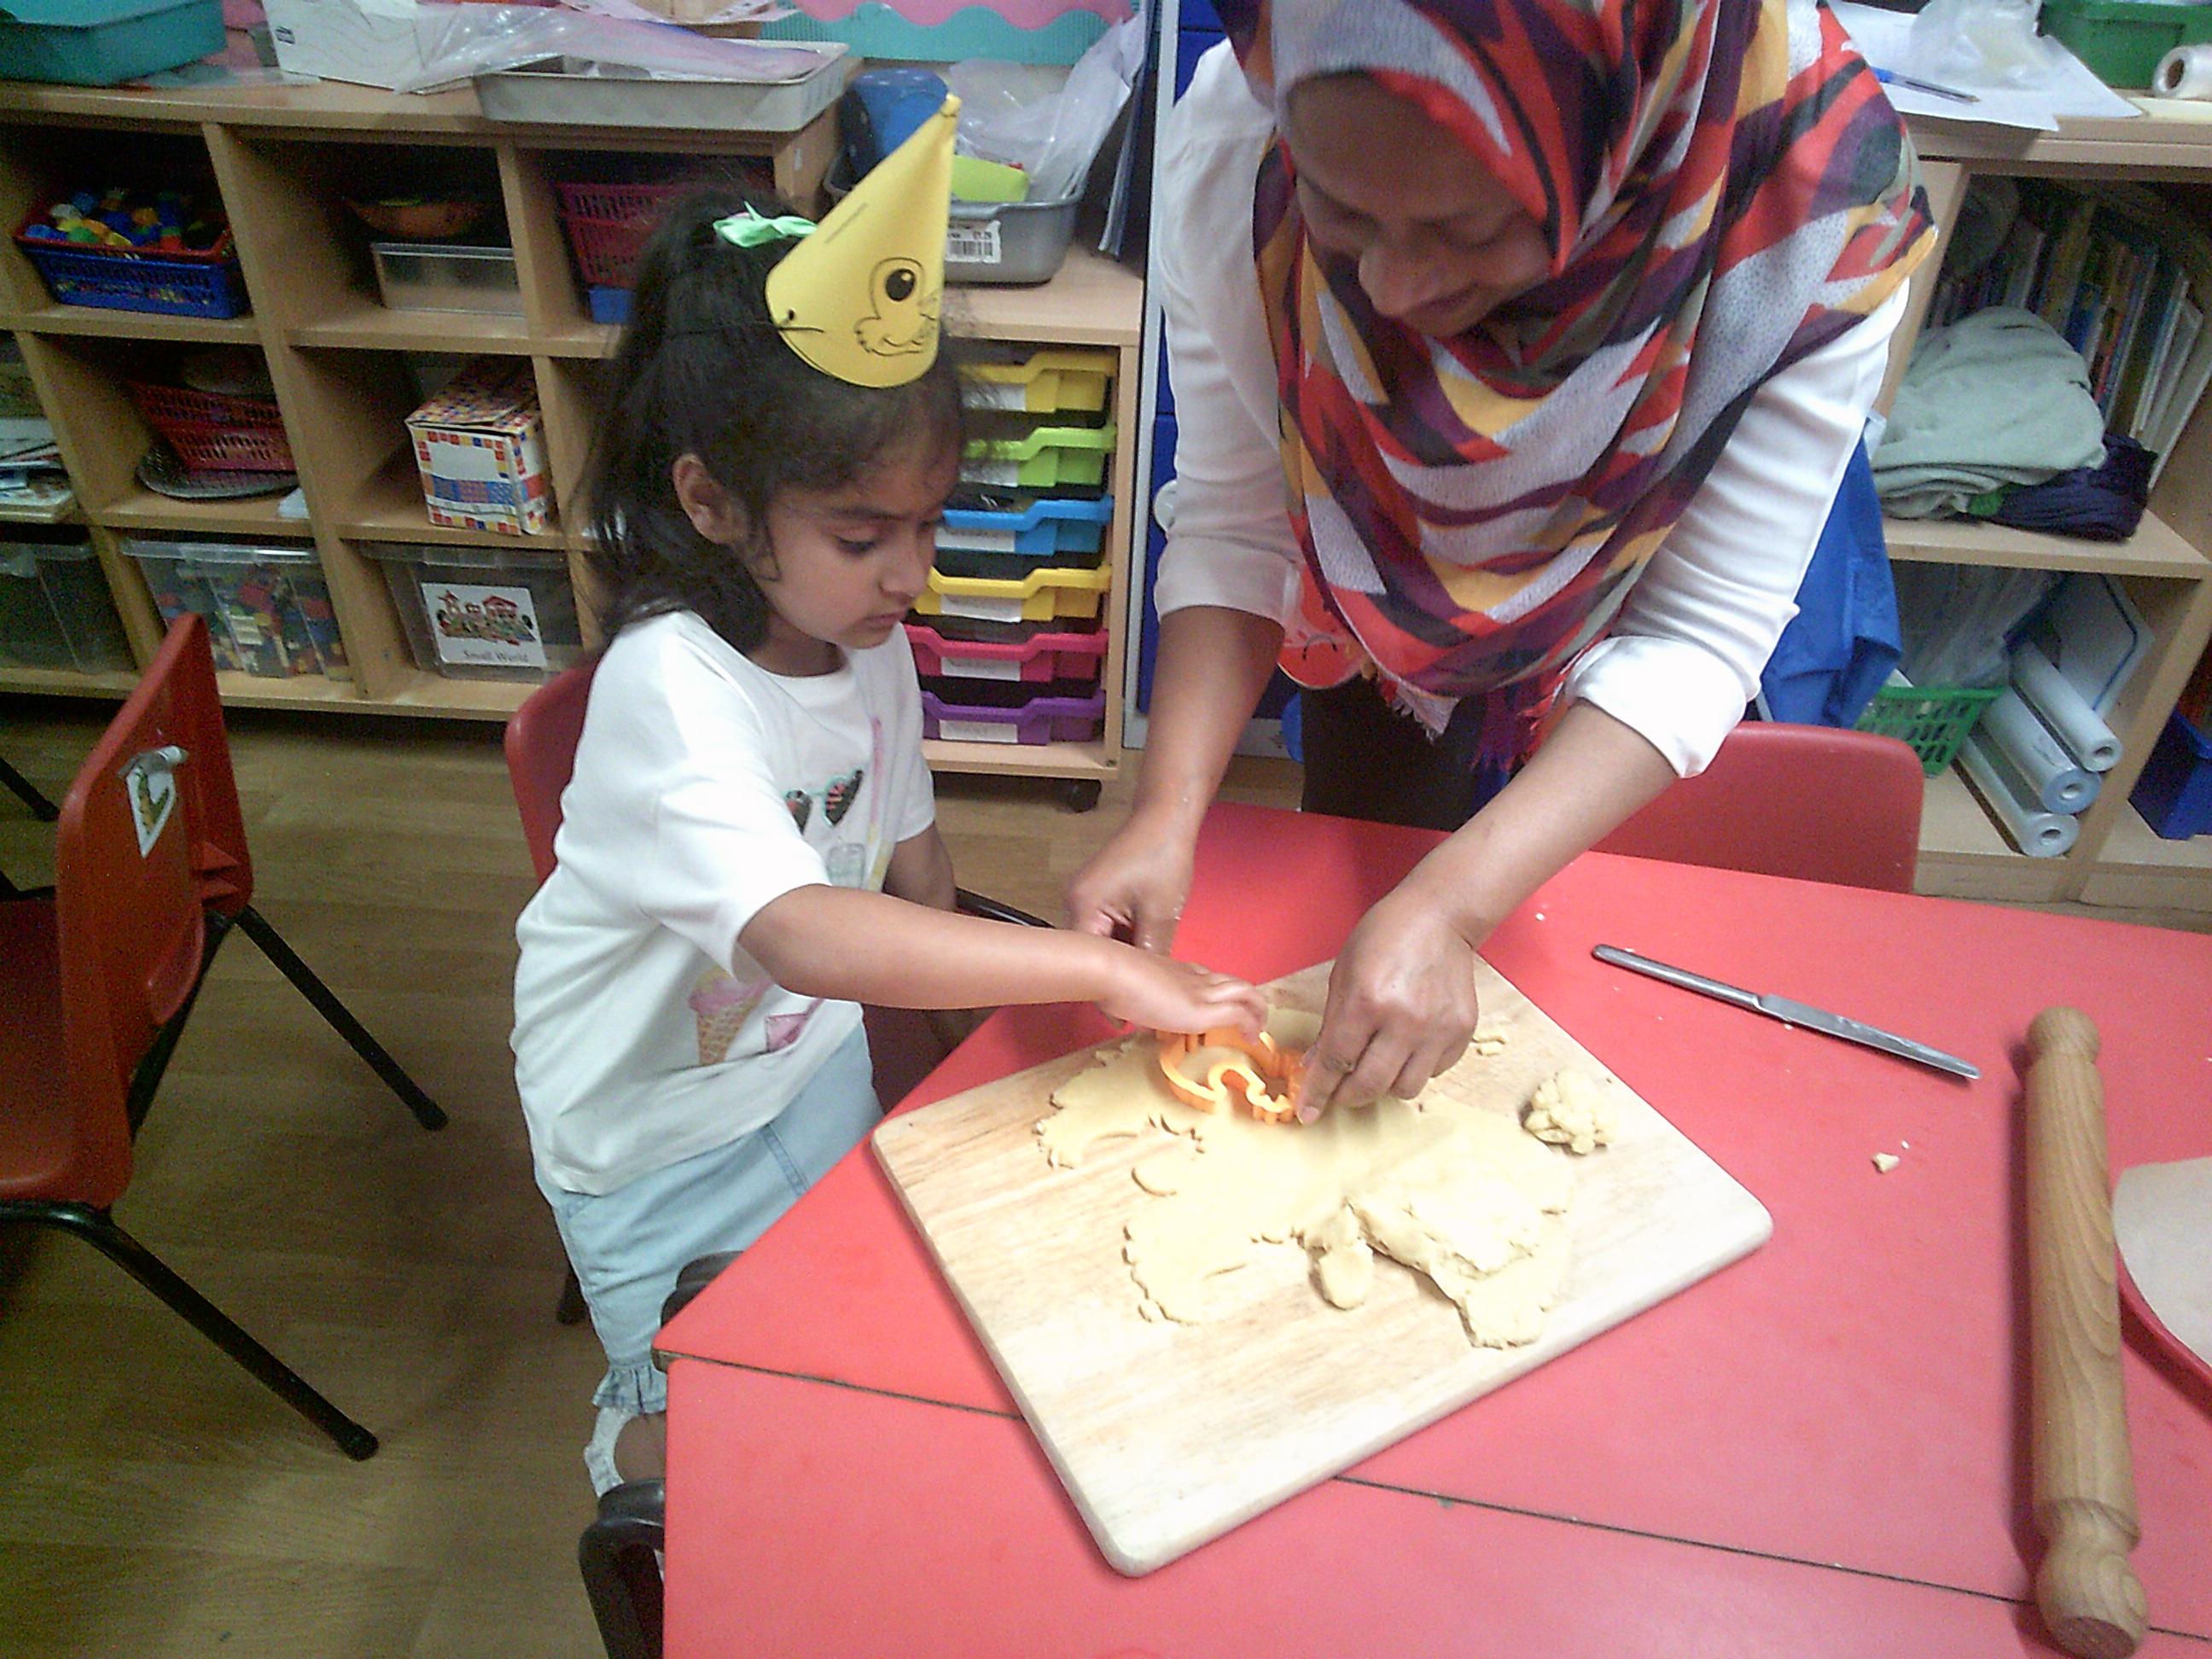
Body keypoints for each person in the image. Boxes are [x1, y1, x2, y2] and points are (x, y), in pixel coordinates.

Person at [511, 112, 1266, 1495]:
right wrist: (1097, 970)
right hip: (649, 1137)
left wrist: (986, 1046)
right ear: (713, 503)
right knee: (706, 1422)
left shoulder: (860, 644)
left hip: (806, 1068)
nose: (909, 575)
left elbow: (909, 857)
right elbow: (803, 929)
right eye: (863, 536)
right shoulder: (669, 693)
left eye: (928, 523)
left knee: (842, 1337)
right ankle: (634, 1466)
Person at [1070, 0, 1936, 1120]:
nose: (1392, 288)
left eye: (1469, 231)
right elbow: (1237, 520)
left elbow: (1696, 630)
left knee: (1605, 975)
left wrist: (1452, 908)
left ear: (1620, 142)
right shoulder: (1246, 137)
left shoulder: (1808, 213)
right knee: (1368, 855)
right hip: (1374, 623)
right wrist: (1167, 812)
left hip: (1643, 582)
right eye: (1342, 213)